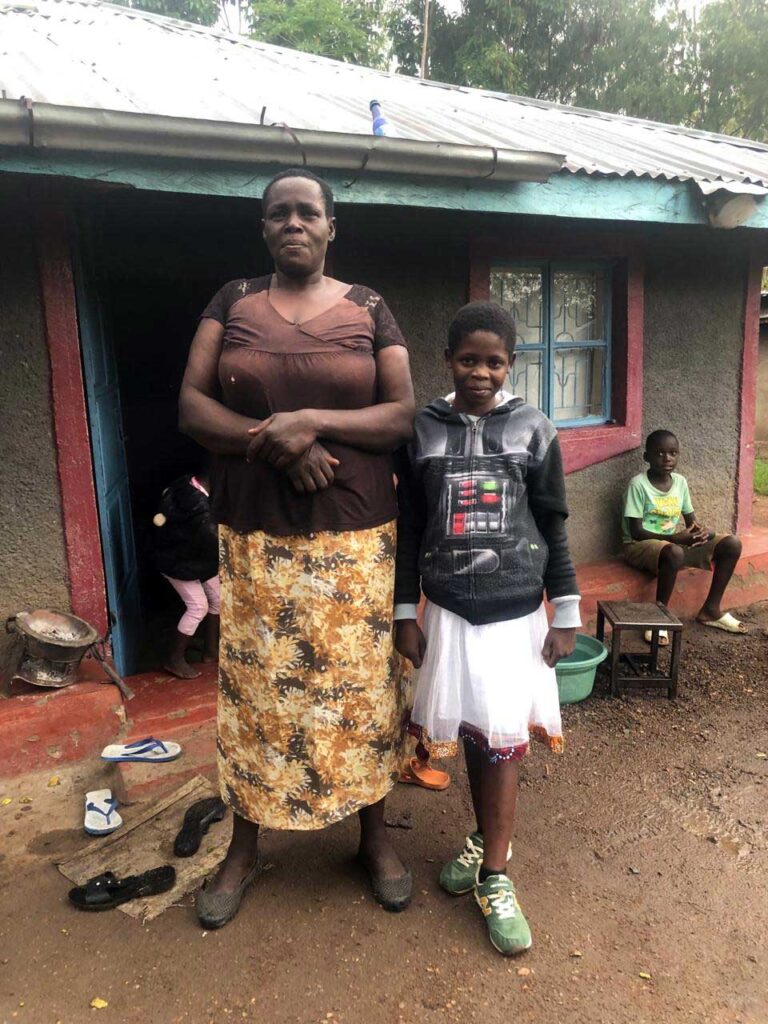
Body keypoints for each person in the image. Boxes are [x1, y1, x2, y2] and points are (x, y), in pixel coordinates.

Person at [178, 167, 415, 929]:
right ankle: (245, 847)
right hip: (257, 538)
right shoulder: (233, 301)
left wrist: (310, 420)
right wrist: (278, 444)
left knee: (360, 690)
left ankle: (373, 838)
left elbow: (400, 415)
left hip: (356, 537)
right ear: (263, 227)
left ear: (330, 226)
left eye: (308, 212)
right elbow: (192, 407)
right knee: (258, 694)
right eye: (278, 212)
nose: (293, 223)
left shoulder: (369, 306)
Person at [393, 301, 580, 956]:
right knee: (474, 730)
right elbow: (411, 526)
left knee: (502, 740)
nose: (480, 372)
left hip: (513, 613)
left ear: (511, 365)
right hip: (447, 612)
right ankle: (483, 838)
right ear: (447, 359)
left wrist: (566, 611)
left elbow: (553, 522)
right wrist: (405, 611)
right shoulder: (422, 428)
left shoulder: (534, 428)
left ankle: (495, 874)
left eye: (494, 362)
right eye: (468, 359)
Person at [622, 429, 746, 640]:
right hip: (639, 546)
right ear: (646, 457)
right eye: (659, 453)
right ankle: (659, 618)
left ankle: (711, 610)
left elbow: (692, 523)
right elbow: (636, 532)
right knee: (675, 552)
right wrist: (673, 539)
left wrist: (704, 533)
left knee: (731, 543)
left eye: (673, 453)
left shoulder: (680, 482)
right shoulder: (638, 485)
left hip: (671, 547)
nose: (667, 458)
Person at [152, 469, 220, 678]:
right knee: (198, 607)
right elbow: (212, 542)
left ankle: (210, 651)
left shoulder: (187, 483)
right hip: (177, 563)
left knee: (218, 599)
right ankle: (174, 658)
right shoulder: (201, 512)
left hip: (188, 556)